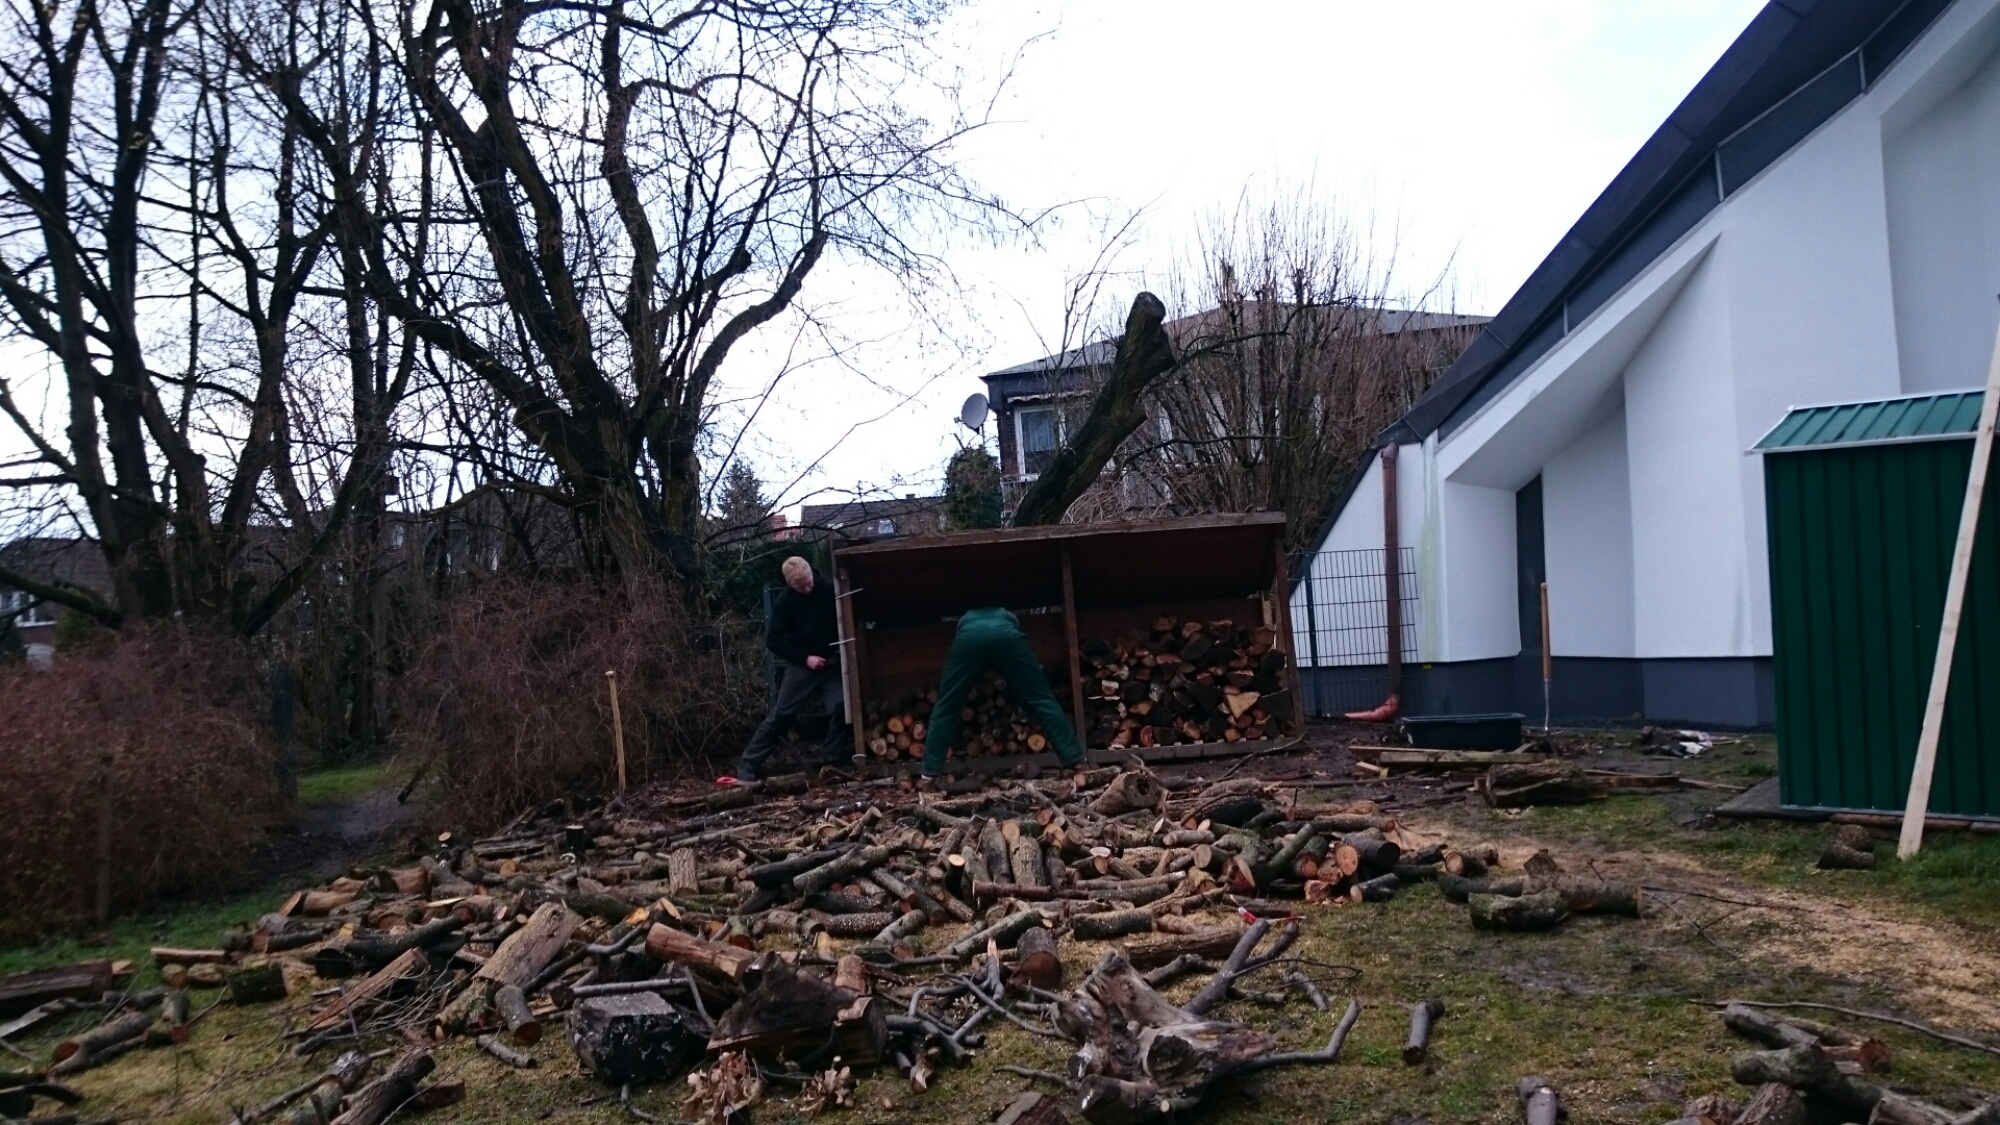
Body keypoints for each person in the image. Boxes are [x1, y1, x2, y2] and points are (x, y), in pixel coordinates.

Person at [921, 606, 1085, 778]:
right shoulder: (1007, 620)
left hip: (969, 637)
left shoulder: (968, 623)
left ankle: (928, 776)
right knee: (1041, 699)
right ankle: (1077, 761)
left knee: (946, 706)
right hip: (1007, 634)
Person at [736, 557, 849, 782]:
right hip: (801, 666)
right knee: (782, 714)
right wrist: (805, 659)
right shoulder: (784, 603)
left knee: (842, 708)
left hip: (830, 663)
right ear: (790, 584)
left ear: (811, 573)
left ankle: (833, 761)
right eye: (801, 586)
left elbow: (846, 619)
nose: (807, 588)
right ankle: (748, 764)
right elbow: (773, 641)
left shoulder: (829, 589)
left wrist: (835, 655)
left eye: (808, 583)